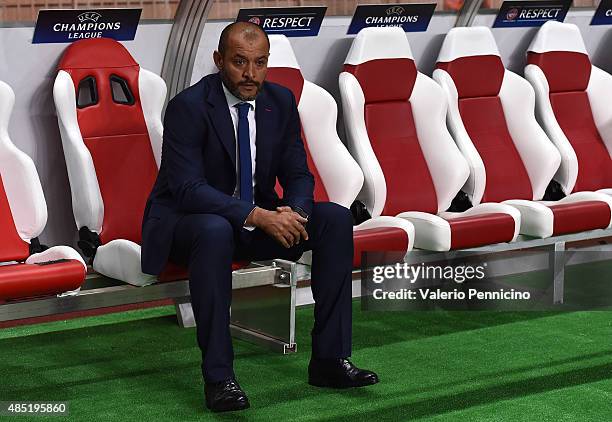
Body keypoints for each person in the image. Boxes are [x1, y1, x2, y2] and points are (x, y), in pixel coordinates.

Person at [141, 21, 379, 413]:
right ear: (219, 61)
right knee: (216, 229)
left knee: (335, 219)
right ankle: (220, 379)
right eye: (239, 63)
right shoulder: (188, 107)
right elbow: (187, 189)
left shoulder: (280, 101)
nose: (250, 74)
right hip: (189, 224)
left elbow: (299, 173)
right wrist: (256, 214)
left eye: (259, 63)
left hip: (255, 220)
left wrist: (296, 213)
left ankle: (329, 361)